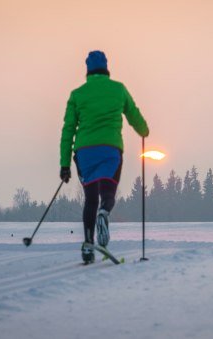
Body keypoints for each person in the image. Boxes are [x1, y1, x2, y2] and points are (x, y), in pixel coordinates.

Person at [59, 50, 149, 264]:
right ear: (106, 67)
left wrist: (64, 164)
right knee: (107, 194)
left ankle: (89, 245)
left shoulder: (77, 94)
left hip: (85, 153)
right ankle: (104, 212)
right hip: (110, 150)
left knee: (90, 199)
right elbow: (134, 114)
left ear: (88, 70)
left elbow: (68, 130)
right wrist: (144, 130)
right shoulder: (118, 89)